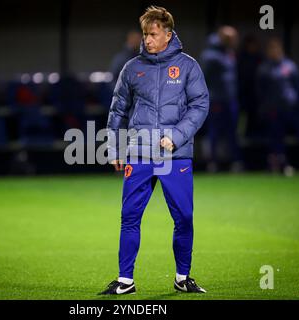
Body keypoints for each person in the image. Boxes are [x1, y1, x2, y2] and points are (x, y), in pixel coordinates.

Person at [100, 6, 209, 295]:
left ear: (168, 34)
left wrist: (176, 135)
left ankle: (182, 277)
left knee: (184, 217)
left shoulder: (188, 66)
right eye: (145, 34)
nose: (147, 40)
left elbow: (200, 106)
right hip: (139, 154)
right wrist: (115, 148)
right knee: (130, 216)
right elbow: (118, 111)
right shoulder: (132, 68)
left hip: (176, 155)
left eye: (153, 34)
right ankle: (125, 281)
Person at [201, 26, 242, 172]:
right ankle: (212, 162)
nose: (235, 41)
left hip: (230, 99)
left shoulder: (229, 53)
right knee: (214, 132)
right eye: (231, 38)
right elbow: (203, 78)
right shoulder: (210, 55)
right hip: (216, 99)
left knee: (233, 131)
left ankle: (235, 161)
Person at [256, 37, 299, 174]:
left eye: (276, 48)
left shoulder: (289, 66)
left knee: (285, 136)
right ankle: (277, 164)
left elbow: (296, 84)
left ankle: (283, 161)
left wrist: (292, 98)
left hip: (287, 108)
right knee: (274, 136)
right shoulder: (264, 68)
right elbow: (259, 89)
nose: (274, 51)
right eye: (272, 49)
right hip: (271, 109)